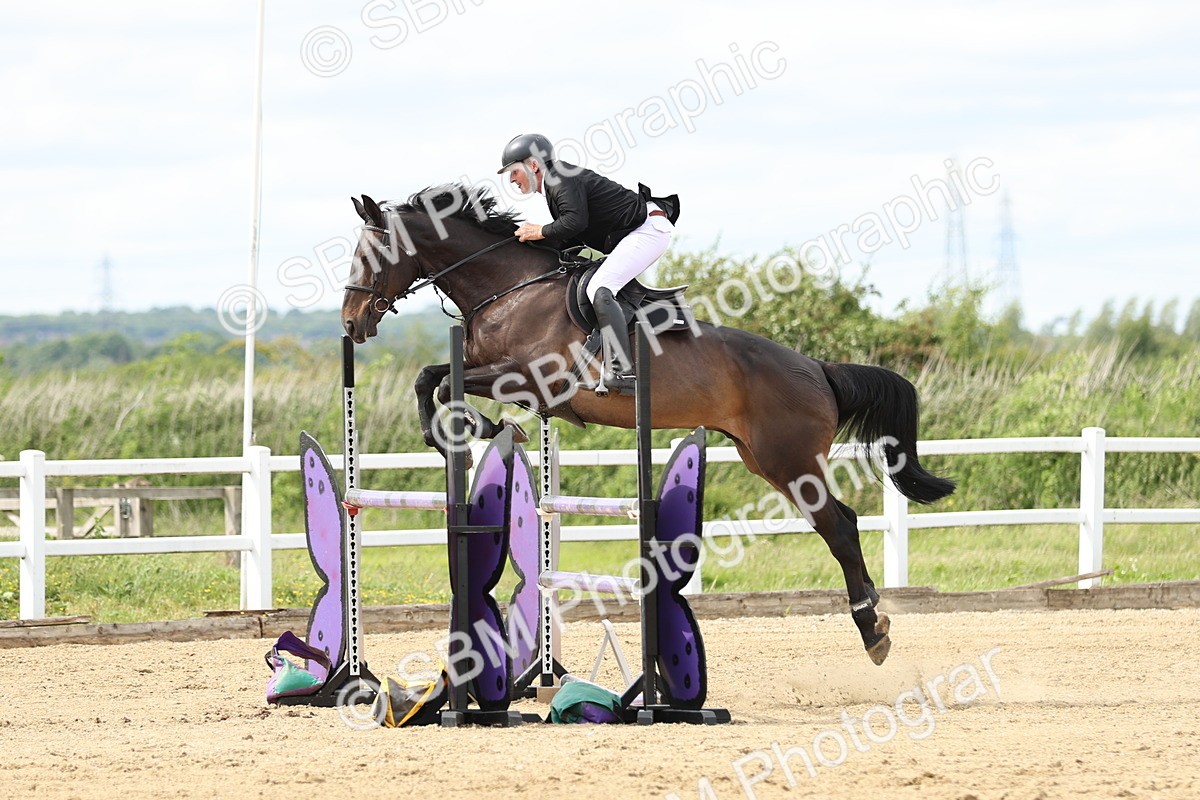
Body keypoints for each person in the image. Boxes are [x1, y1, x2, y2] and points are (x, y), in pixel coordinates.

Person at [498, 133, 678, 393]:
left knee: (599, 288)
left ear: (533, 165)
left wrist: (540, 231)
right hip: (637, 232)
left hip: (647, 230)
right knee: (596, 284)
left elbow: (575, 222)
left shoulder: (559, 177)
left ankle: (622, 371)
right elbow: (571, 235)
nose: (512, 180)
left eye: (514, 171)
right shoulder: (555, 182)